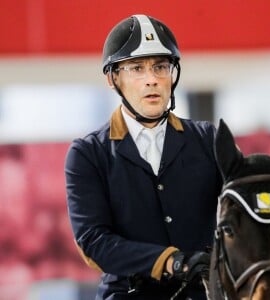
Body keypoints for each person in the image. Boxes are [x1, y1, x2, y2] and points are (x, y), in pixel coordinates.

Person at [65, 14, 222, 300]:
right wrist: (171, 261)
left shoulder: (209, 140)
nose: (152, 80)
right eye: (137, 68)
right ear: (114, 78)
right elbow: (94, 242)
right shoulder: (87, 155)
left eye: (160, 67)